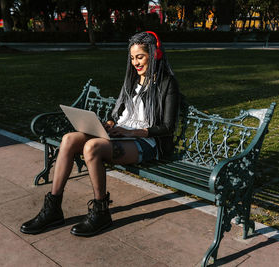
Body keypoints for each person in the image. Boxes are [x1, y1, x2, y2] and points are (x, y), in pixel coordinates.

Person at [20, 31, 180, 237]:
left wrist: (133, 131)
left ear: (154, 54)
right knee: (69, 139)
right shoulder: (132, 81)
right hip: (122, 134)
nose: (135, 63)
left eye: (140, 56)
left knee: (92, 147)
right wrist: (110, 124)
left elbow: (168, 127)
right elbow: (118, 112)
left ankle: (101, 211)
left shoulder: (167, 84)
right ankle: (53, 207)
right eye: (132, 58)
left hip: (148, 141)